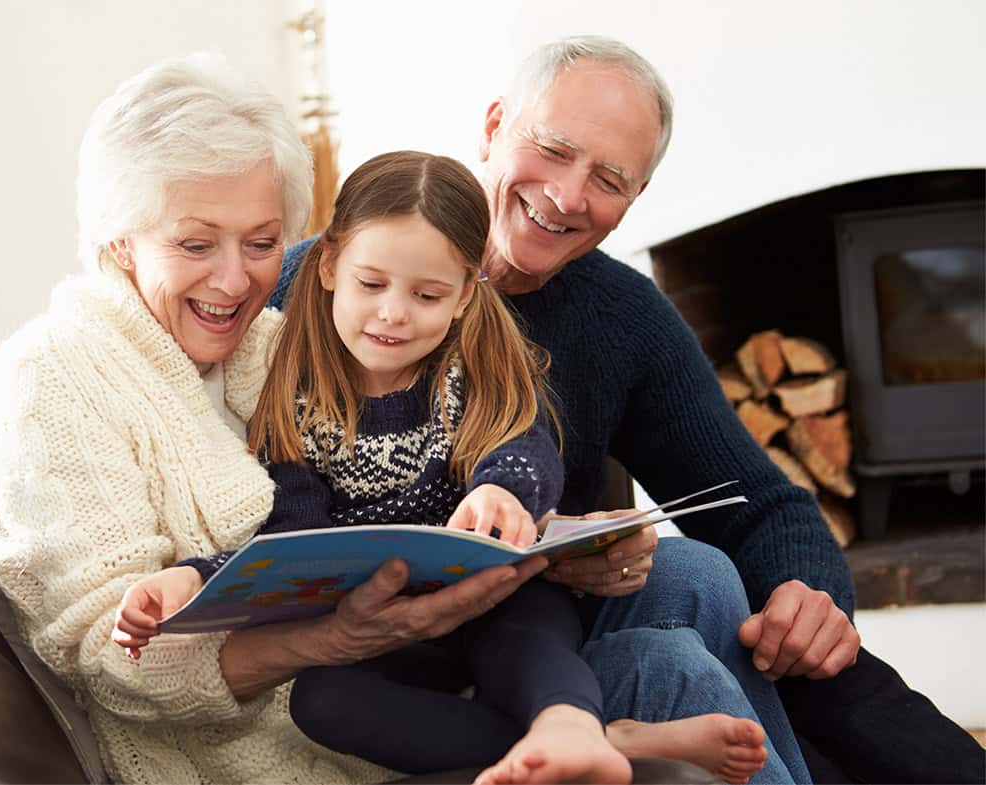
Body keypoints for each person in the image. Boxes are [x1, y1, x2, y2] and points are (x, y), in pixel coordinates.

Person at [0, 36, 984, 785]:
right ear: (494, 126)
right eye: (554, 150)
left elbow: (751, 494)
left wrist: (811, 584)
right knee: (687, 622)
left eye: (609, 178)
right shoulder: (304, 291)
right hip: (382, 638)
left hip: (521, 595)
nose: (569, 195)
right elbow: (127, 339)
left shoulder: (619, 315)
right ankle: (646, 736)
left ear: (637, 198)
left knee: (724, 583)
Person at [110, 150, 777, 785]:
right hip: (390, 635)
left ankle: (567, 722)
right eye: (372, 284)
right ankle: (609, 737)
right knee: (320, 700)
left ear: (464, 295)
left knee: (525, 626)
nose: (394, 313)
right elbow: (288, 544)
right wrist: (190, 580)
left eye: (428, 295)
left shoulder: (473, 370)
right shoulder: (293, 394)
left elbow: (524, 448)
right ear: (329, 265)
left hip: (495, 600)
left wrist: (501, 490)